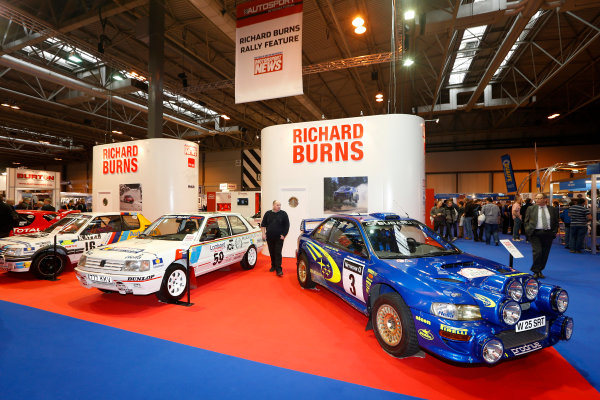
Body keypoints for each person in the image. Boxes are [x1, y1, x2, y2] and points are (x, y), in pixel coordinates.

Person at [524, 193, 559, 279]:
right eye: (536, 198)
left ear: (545, 199)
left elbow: (555, 221)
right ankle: (535, 270)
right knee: (538, 252)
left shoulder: (552, 209)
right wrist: (528, 230)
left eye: (539, 198)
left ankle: (540, 270)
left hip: (548, 234)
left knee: (545, 253)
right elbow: (526, 221)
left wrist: (554, 232)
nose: (537, 200)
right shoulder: (531, 208)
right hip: (535, 233)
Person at [261, 200, 290, 277]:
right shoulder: (268, 213)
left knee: (277, 252)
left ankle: (279, 269)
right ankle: (273, 266)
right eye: (277, 205)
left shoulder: (283, 214)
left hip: (279, 237)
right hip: (269, 237)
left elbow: (287, 225)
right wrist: (263, 234)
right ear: (273, 205)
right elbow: (263, 225)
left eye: (280, 205)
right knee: (272, 252)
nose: (279, 206)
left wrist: (284, 235)